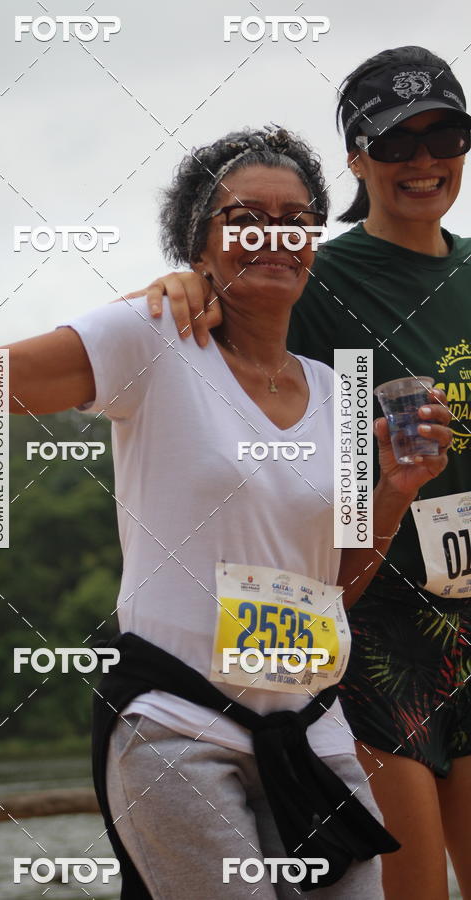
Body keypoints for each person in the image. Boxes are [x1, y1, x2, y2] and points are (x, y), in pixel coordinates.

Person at [0, 127, 452, 899]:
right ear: (199, 245)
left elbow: (337, 584)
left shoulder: (342, 392)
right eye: (245, 218)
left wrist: (400, 487)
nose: (274, 234)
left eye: (296, 217)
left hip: (313, 729)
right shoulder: (153, 339)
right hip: (178, 725)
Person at [138, 45, 471, 900]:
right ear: (358, 160)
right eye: (397, 144)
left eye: (447, 136)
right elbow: (216, 301)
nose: (424, 161)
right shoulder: (320, 275)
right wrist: (185, 280)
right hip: (358, 625)